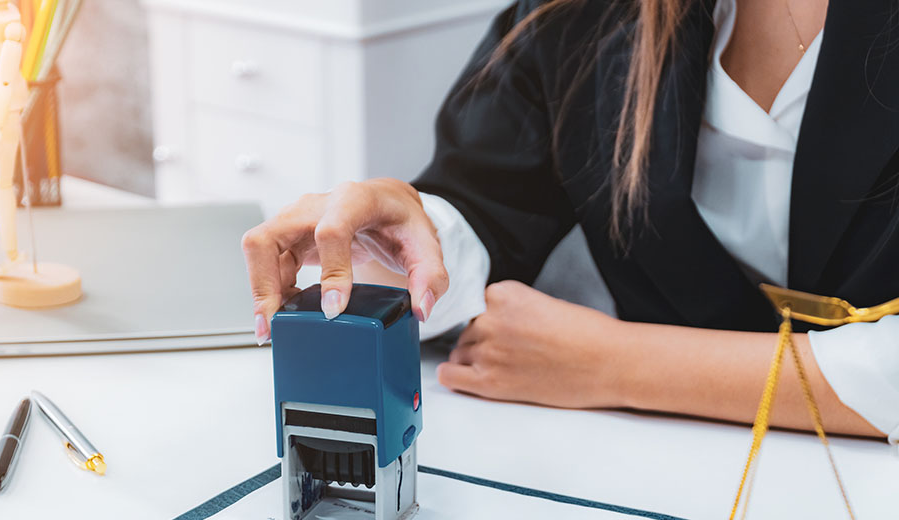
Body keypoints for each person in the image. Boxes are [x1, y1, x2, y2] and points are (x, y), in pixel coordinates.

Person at [242, 0, 899, 443]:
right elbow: (489, 198)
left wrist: (617, 364)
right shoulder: (584, 13)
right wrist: (400, 239)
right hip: (663, 469)